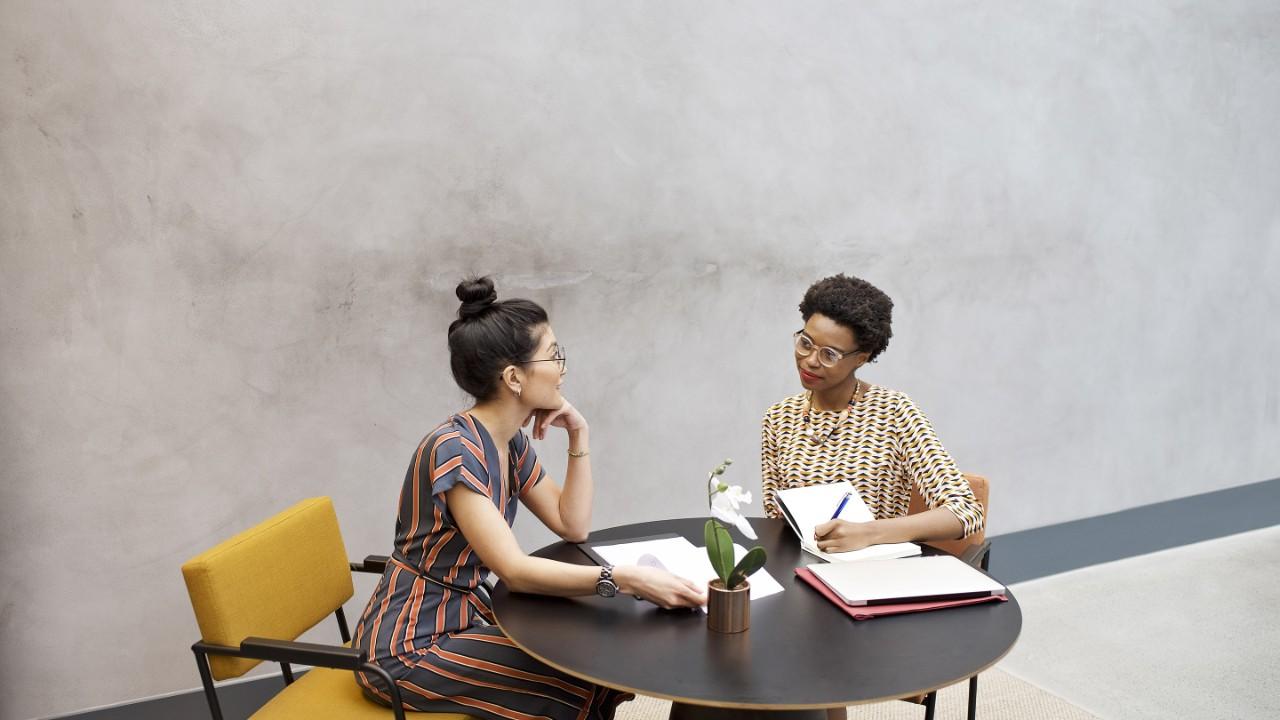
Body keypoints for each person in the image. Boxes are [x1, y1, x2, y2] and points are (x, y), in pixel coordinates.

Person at [353, 276, 705, 719]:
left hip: (465, 618)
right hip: (409, 647)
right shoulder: (454, 451)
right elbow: (515, 571)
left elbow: (571, 523)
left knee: (589, 654)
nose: (562, 367)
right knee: (573, 671)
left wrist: (580, 433)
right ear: (515, 377)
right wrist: (626, 579)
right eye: (553, 354)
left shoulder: (508, 443)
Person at [760, 273, 984, 556]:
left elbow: (966, 512)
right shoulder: (780, 417)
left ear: (861, 358)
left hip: (874, 575)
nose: (810, 361)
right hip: (801, 571)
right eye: (806, 343)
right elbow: (775, 521)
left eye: (829, 354)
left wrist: (868, 533)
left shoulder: (893, 412)